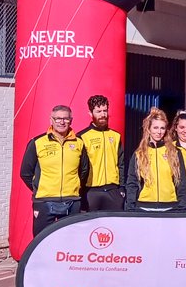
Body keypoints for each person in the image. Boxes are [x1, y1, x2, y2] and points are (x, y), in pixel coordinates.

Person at [19, 104, 89, 236]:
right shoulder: (37, 142)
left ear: (71, 120)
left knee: (70, 241)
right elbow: (25, 172)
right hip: (45, 201)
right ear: (51, 120)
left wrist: (74, 186)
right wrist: (40, 188)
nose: (62, 122)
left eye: (65, 119)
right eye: (57, 118)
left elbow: (84, 170)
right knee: (42, 241)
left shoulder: (79, 143)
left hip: (72, 200)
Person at [124, 107, 186, 212]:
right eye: (155, 128)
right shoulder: (139, 154)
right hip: (144, 207)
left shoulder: (174, 152)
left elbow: (182, 182)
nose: (159, 132)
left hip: (170, 207)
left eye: (162, 128)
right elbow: (132, 183)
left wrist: (183, 207)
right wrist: (130, 207)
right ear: (148, 129)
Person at [78, 95, 125, 212]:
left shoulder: (115, 136)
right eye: (98, 111)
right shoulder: (82, 136)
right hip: (91, 191)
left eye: (105, 110)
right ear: (90, 113)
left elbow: (121, 163)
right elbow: (79, 167)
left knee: (114, 228)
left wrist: (122, 188)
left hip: (113, 191)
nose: (103, 114)